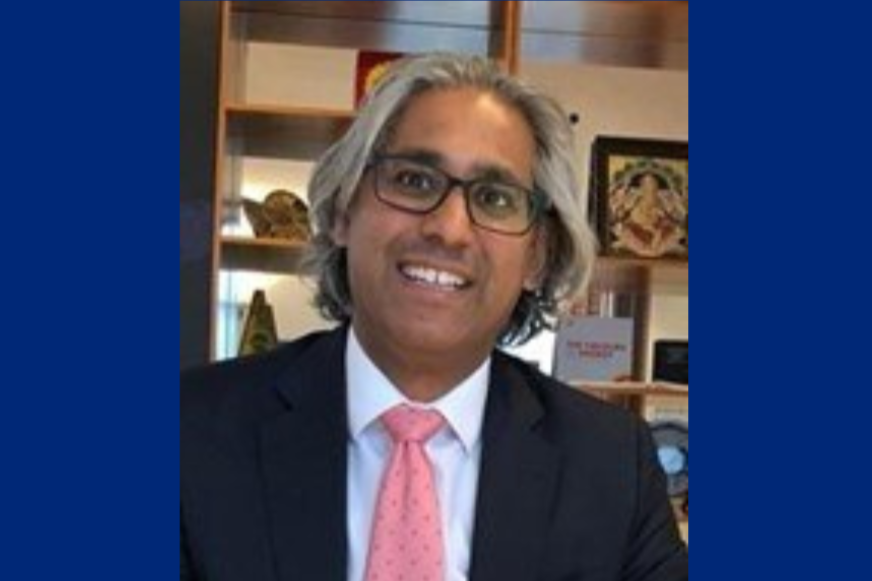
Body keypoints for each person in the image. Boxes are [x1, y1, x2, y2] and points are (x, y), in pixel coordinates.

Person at [181, 52, 688, 581]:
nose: (448, 229)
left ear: (537, 257)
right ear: (343, 211)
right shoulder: (189, 433)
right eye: (414, 180)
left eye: (495, 198)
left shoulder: (613, 467)